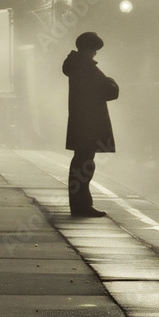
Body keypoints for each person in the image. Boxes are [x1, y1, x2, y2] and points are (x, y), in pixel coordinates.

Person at [62, 32, 119, 218]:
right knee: (85, 164)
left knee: (82, 162)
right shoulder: (85, 67)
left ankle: (80, 204)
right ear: (88, 49)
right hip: (89, 123)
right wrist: (112, 81)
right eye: (94, 50)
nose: (95, 54)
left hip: (82, 122)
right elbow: (110, 91)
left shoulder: (77, 64)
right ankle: (82, 206)